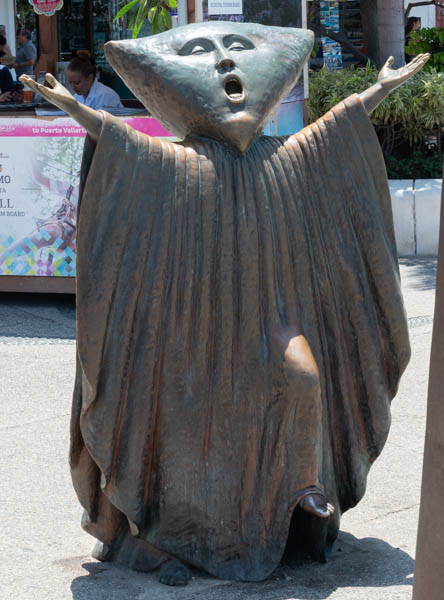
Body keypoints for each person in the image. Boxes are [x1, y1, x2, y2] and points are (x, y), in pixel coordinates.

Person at [21, 23, 428, 587]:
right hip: (193, 323)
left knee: (304, 378)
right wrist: (74, 108)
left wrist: (378, 89)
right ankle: (168, 531)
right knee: (182, 421)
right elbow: (122, 145)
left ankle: (303, 488)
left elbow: (336, 131)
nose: (225, 66)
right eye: (201, 54)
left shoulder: (286, 155)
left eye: (237, 50)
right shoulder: (175, 163)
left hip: (271, 315)